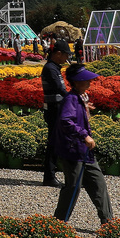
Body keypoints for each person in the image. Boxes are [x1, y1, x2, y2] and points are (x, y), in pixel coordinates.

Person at [53, 64, 115, 226]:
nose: (89, 81)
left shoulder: (80, 98)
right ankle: (58, 223)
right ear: (76, 81)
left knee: (98, 184)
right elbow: (66, 121)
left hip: (85, 152)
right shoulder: (71, 98)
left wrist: (85, 108)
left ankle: (108, 222)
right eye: (85, 79)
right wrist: (84, 135)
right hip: (73, 152)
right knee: (73, 188)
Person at [40, 40, 73, 187]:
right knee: (55, 142)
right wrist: (74, 98)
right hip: (55, 109)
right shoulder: (50, 68)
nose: (67, 58)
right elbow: (61, 90)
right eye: (66, 55)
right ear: (58, 53)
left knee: (57, 142)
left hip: (57, 108)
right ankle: (50, 176)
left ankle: (52, 175)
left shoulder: (54, 68)